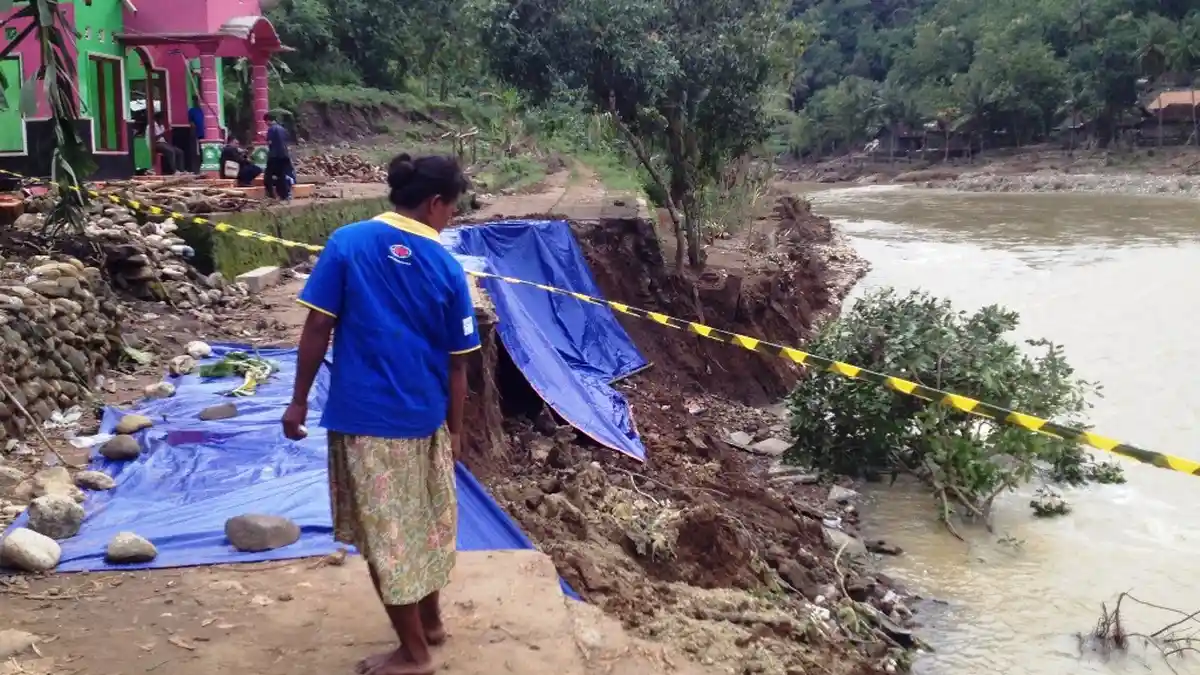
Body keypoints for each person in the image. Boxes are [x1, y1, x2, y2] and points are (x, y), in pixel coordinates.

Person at [282, 154, 477, 675]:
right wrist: (455, 430)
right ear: (436, 203)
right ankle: (430, 624)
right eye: (453, 209)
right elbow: (460, 365)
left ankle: (414, 655)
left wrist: (298, 399)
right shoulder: (448, 267)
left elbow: (316, 330)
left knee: (385, 539)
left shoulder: (347, 243)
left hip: (366, 419)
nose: (451, 219)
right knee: (425, 524)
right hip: (426, 418)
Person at [263, 112, 293, 200]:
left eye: (266, 122)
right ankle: (285, 195)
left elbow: (270, 142)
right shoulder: (283, 129)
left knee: (268, 176)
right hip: (284, 155)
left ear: (268, 121)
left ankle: (270, 194)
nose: (266, 124)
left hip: (274, 156)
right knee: (282, 175)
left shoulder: (271, 129)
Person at [187, 97, 205, 173]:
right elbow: (190, 122)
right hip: (195, 134)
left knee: (203, 151)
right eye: (195, 101)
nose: (197, 102)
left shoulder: (204, 111)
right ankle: (196, 170)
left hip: (204, 134)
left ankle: (203, 167)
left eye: (198, 101)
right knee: (195, 152)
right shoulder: (192, 111)